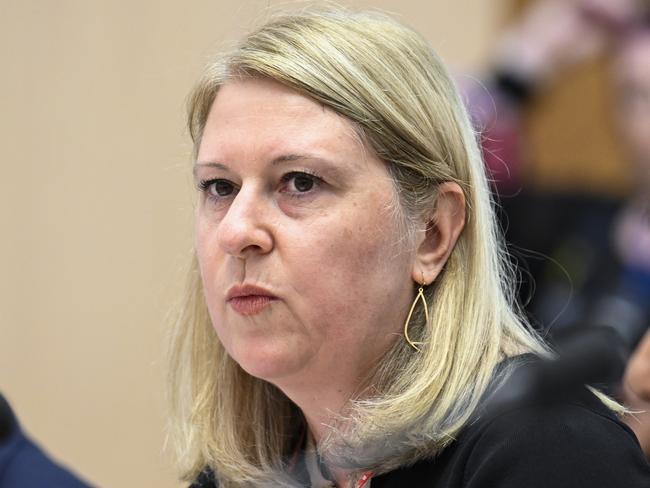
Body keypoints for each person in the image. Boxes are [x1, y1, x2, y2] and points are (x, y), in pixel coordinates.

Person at [166, 7, 650, 488]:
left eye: (300, 182)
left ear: (432, 233)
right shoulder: (242, 477)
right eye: (219, 187)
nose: (236, 232)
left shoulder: (549, 451)